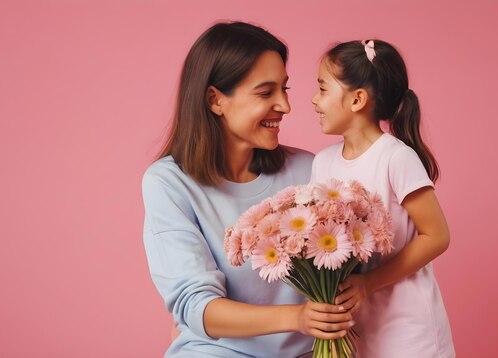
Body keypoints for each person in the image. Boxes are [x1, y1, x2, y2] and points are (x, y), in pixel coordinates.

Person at [142, 22, 354, 358]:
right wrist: (297, 318)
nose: (285, 106)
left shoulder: (309, 171)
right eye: (265, 92)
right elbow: (197, 307)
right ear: (215, 100)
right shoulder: (169, 182)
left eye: (285, 89)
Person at [310, 39, 455, 357]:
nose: (314, 100)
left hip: (408, 333)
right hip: (358, 331)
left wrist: (369, 283)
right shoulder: (322, 162)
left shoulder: (395, 158)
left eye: (322, 89)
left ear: (357, 99)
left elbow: (437, 236)